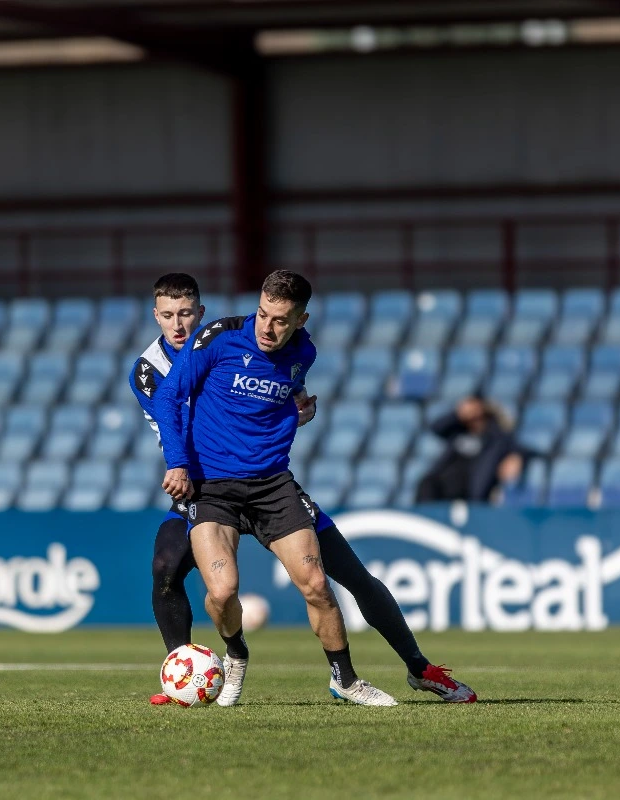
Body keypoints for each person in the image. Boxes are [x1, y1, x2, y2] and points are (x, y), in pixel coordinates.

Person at [136, 272, 475, 706]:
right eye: (168, 316)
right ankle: (193, 670)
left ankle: (414, 668)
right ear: (157, 317)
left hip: (271, 487)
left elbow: (278, 395)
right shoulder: (179, 356)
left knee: (347, 579)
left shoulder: (302, 352)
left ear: (299, 320)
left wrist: (295, 411)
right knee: (175, 570)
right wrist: (180, 464)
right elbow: (174, 409)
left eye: (186, 314)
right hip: (207, 484)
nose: (266, 327)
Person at [416, 396, 528, 503]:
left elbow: (516, 446)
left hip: (470, 489)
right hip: (442, 485)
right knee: (426, 483)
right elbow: (436, 428)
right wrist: (457, 415)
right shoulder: (457, 431)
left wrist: (516, 456)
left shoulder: (495, 437)